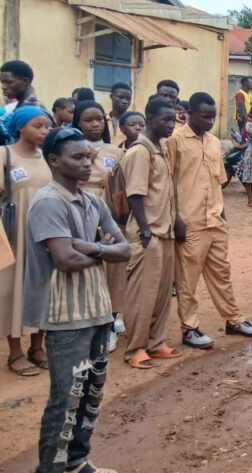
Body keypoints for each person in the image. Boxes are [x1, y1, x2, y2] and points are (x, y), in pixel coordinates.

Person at [24, 126, 131, 473]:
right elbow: (65, 260)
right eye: (78, 157)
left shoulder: (92, 201)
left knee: (91, 393)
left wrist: (90, 247)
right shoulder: (49, 202)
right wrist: (103, 250)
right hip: (65, 316)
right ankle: (51, 468)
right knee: (66, 399)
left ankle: (76, 462)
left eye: (89, 156)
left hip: (98, 309)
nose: (87, 163)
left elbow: (125, 250)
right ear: (54, 160)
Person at [166, 92, 252, 349]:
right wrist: (176, 218)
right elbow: (167, 184)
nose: (210, 121)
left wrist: (222, 215)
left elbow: (218, 181)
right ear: (189, 114)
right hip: (189, 222)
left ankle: (234, 320)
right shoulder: (175, 141)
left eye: (213, 117)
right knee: (187, 280)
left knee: (222, 274)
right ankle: (189, 328)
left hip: (215, 220)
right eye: (205, 116)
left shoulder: (213, 142)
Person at [121, 98, 180, 369]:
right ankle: (135, 348)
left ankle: (156, 343)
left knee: (162, 293)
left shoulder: (162, 149)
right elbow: (135, 194)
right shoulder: (139, 152)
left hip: (165, 230)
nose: (170, 125)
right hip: (148, 233)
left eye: (173, 120)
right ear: (149, 119)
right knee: (142, 294)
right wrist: (145, 229)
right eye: (165, 119)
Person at [72, 100, 128, 349]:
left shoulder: (115, 151)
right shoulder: (69, 148)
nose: (95, 124)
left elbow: (122, 186)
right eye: (88, 120)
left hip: (108, 213)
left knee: (113, 269)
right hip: (76, 211)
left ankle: (111, 324)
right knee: (83, 267)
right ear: (78, 122)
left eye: (99, 120)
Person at [1, 106, 52, 377]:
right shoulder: (5, 154)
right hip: (14, 233)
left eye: (47, 126)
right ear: (20, 127)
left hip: (44, 233)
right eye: (37, 125)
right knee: (12, 290)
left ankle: (37, 347)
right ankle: (15, 352)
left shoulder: (49, 157)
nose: (44, 131)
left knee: (42, 288)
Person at [107, 82, 132, 147]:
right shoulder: (102, 120)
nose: (125, 101)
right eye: (121, 97)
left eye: (128, 99)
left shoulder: (134, 123)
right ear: (111, 97)